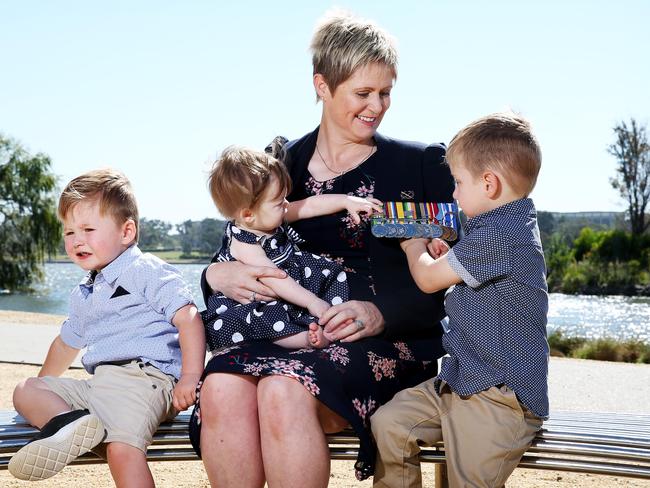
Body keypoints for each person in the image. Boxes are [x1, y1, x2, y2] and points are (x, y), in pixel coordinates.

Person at [189, 11, 455, 486]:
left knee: (281, 391)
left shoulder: (419, 166)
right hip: (281, 334)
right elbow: (237, 245)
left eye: (385, 92)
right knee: (222, 388)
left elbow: (448, 267)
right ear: (322, 86)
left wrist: (379, 314)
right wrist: (213, 277)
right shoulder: (278, 162)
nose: (377, 106)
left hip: (383, 343)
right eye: (362, 92)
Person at [371, 112, 549, 488]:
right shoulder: (489, 225)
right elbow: (454, 260)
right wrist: (441, 250)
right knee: (390, 424)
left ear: (489, 184)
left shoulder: (504, 233)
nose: (453, 193)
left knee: (465, 481)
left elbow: (427, 279)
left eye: (458, 183)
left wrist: (412, 243)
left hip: (500, 395)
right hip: (462, 381)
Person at [9, 169, 206, 487]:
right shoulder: (84, 292)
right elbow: (65, 345)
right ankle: (68, 425)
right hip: (102, 386)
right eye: (69, 232)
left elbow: (189, 318)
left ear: (126, 232)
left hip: (145, 379)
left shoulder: (146, 271)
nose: (77, 240)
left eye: (88, 229)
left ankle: (85, 431)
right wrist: (46, 383)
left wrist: (190, 378)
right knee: (27, 390)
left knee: (121, 451)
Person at [202, 145, 382, 350]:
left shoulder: (266, 214)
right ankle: (306, 339)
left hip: (293, 287)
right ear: (247, 215)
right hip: (267, 295)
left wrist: (347, 201)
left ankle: (329, 325)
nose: (287, 204)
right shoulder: (244, 243)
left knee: (329, 276)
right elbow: (275, 278)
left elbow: (310, 205)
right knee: (266, 319)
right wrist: (311, 302)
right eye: (279, 202)